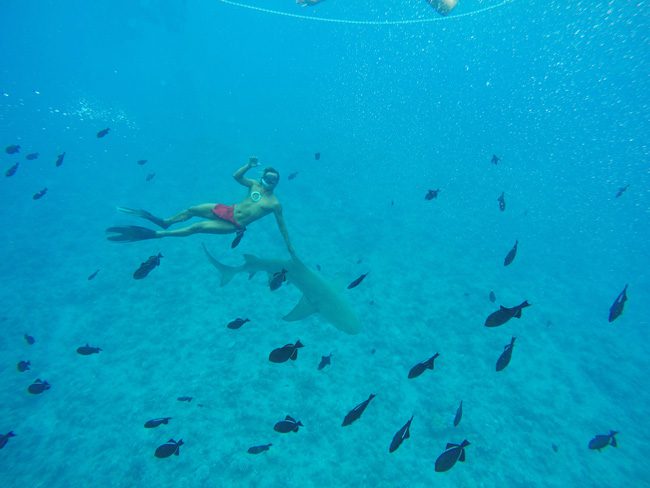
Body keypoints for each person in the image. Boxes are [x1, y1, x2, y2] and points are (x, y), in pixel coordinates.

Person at [106, 158, 296, 257]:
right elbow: (236, 177)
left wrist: (289, 247)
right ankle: (165, 222)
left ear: (278, 182)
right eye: (268, 178)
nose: (270, 182)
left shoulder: (274, 204)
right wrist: (248, 165)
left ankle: (157, 234)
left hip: (234, 224)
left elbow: (282, 226)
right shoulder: (254, 185)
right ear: (264, 177)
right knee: (192, 209)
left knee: (196, 228)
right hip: (227, 210)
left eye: (274, 180)